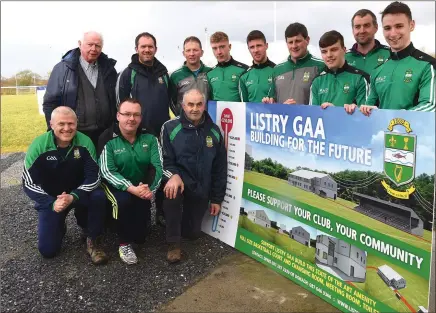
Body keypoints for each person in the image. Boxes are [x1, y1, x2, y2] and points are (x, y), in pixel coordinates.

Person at [22, 106, 108, 265]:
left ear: (77, 123)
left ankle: (93, 238)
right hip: (53, 200)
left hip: (77, 194)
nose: (67, 128)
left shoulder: (85, 142)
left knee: (98, 196)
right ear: (51, 124)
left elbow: (94, 176)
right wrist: (51, 202)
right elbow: (28, 182)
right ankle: (59, 225)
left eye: (71, 124)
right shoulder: (39, 145)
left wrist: (74, 195)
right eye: (61, 124)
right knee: (48, 250)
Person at [160, 89, 227, 263]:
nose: (194, 109)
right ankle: (173, 243)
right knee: (171, 194)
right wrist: (173, 175)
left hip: (200, 188)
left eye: (198, 104)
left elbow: (220, 168)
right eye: (190, 104)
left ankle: (178, 224)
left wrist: (216, 199)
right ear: (183, 106)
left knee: (193, 234)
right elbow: (163, 160)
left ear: (204, 106)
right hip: (178, 184)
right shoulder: (169, 127)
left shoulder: (214, 130)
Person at [95, 98, 163, 265]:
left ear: (140, 117)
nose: (131, 119)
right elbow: (107, 170)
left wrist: (149, 189)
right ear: (118, 115)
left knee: (140, 236)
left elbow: (158, 166)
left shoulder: (150, 136)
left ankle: (130, 228)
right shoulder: (107, 137)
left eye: (136, 115)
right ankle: (123, 243)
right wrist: (130, 188)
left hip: (142, 186)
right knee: (123, 201)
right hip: (115, 186)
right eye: (126, 114)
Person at [43, 31, 118, 147]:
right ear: (80, 44)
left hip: (105, 134)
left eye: (97, 45)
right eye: (90, 44)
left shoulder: (109, 69)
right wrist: (53, 131)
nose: (94, 48)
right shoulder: (62, 69)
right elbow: (49, 103)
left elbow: (115, 100)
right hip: (75, 135)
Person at [361, 1, 436, 115]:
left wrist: (399, 117)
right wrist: (350, 110)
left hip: (416, 132)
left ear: (411, 25)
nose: (393, 33)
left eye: (399, 26)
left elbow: (430, 106)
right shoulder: (377, 70)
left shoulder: (428, 65)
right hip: (382, 133)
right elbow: (368, 109)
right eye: (387, 28)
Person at [116, 32, 176, 135]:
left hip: (162, 132)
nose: (147, 50)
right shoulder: (127, 74)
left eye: (150, 47)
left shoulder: (164, 74)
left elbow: (172, 103)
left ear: (155, 49)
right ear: (136, 49)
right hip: (137, 134)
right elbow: (119, 105)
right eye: (143, 46)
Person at [309, 31, 369, 114]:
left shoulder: (361, 78)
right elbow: (312, 116)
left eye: (333, 50)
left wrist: (336, 112)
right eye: (324, 51)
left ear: (344, 50)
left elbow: (367, 117)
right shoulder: (317, 81)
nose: (329, 55)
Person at [263, 23, 324, 105]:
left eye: (297, 41)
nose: (294, 46)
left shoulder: (321, 66)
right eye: (290, 42)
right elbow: (272, 100)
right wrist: (269, 101)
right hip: (283, 117)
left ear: (307, 40)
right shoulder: (277, 69)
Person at [170, 36, 212, 114]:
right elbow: (172, 102)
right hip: (184, 123)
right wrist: (180, 117)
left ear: (201, 52)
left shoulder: (210, 72)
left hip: (207, 122)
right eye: (188, 50)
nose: (192, 54)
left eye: (195, 50)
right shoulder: (175, 76)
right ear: (183, 53)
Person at [345, 9, 391, 74]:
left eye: (366, 25)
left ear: (376, 27)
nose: (362, 31)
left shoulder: (390, 54)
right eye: (357, 27)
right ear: (353, 30)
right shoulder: (343, 58)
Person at [207, 31, 248, 101]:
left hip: (239, 111)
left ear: (229, 47)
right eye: (215, 48)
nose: (219, 52)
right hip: (218, 112)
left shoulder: (244, 70)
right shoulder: (209, 73)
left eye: (222, 47)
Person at [239, 30, 276, 103]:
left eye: (259, 45)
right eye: (252, 47)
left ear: (266, 46)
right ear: (248, 49)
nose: (256, 50)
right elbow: (244, 108)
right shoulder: (244, 76)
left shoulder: (278, 71)